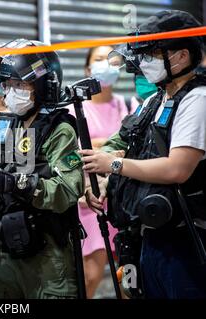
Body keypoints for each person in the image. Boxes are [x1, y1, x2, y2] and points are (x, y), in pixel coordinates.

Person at [0, 39, 84, 299]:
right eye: (7, 85)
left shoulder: (58, 129)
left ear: (43, 85)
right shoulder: (6, 126)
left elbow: (68, 188)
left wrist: (19, 183)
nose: (10, 92)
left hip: (46, 255)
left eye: (20, 84)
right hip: (3, 253)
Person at [81, 10, 206, 299]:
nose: (144, 62)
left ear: (181, 56)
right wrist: (96, 183)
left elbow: (178, 168)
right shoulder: (154, 100)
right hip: (149, 236)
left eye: (152, 53)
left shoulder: (197, 99)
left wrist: (112, 164)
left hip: (186, 238)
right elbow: (120, 140)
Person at [67, 45, 134, 298]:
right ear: (87, 69)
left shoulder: (130, 105)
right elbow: (70, 155)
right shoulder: (74, 111)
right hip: (89, 201)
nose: (105, 64)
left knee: (128, 277)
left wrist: (96, 146)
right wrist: (106, 149)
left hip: (121, 200)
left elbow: (133, 148)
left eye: (110, 59)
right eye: (98, 59)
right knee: (90, 276)